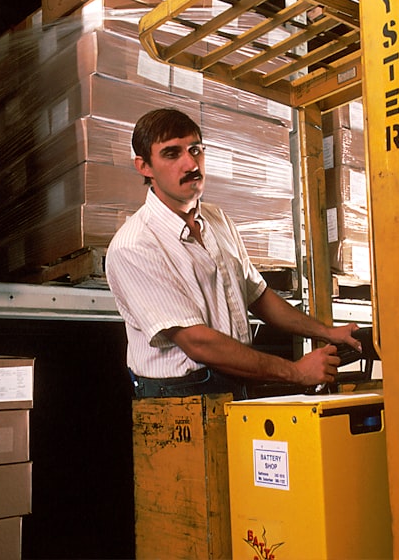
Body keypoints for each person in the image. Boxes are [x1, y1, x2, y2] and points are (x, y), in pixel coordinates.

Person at [106, 107, 361, 399]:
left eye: (195, 149)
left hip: (235, 379)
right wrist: (297, 372)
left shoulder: (217, 220)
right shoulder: (135, 245)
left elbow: (258, 295)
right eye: (172, 153)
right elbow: (197, 343)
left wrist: (326, 332)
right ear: (144, 166)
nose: (191, 164)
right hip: (179, 395)